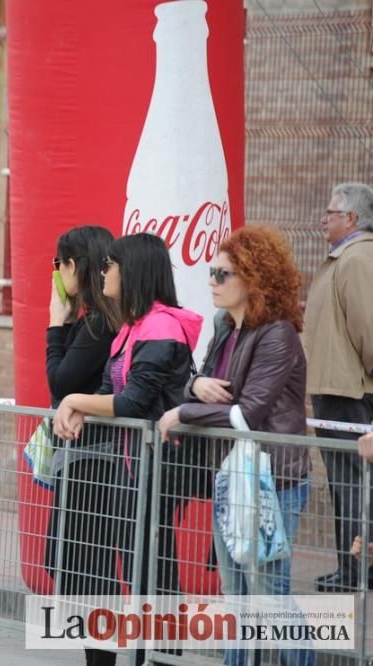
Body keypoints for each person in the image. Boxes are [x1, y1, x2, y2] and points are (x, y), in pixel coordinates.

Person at [158, 226, 313, 666]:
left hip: (274, 481)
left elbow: (247, 413)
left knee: (269, 597)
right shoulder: (227, 326)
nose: (212, 280)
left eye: (222, 274)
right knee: (237, 594)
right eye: (212, 271)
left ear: (253, 279)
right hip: (232, 475)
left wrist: (182, 413)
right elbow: (198, 384)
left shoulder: (277, 335)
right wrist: (194, 385)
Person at [53, 233, 201, 665]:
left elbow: (134, 401)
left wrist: (74, 401)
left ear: (132, 270)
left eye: (110, 266)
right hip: (129, 467)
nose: (102, 272)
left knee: (153, 577)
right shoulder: (133, 326)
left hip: (156, 467)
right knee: (138, 575)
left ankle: (160, 659)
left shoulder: (161, 326)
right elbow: (107, 390)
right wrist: (82, 409)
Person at [42, 226, 121, 666]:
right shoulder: (93, 318)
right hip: (85, 456)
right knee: (72, 565)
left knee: (85, 571)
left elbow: (60, 381)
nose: (56, 272)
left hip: (96, 460)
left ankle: (102, 659)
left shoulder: (98, 323)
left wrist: (57, 322)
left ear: (75, 266)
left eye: (59, 263)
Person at [303, 182, 373, 593]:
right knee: (348, 482)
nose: (323, 219)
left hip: (349, 392)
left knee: (350, 482)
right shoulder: (348, 258)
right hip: (342, 388)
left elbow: (368, 329)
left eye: (331, 212)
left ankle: (354, 571)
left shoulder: (356, 259)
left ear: (352, 218)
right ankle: (354, 568)